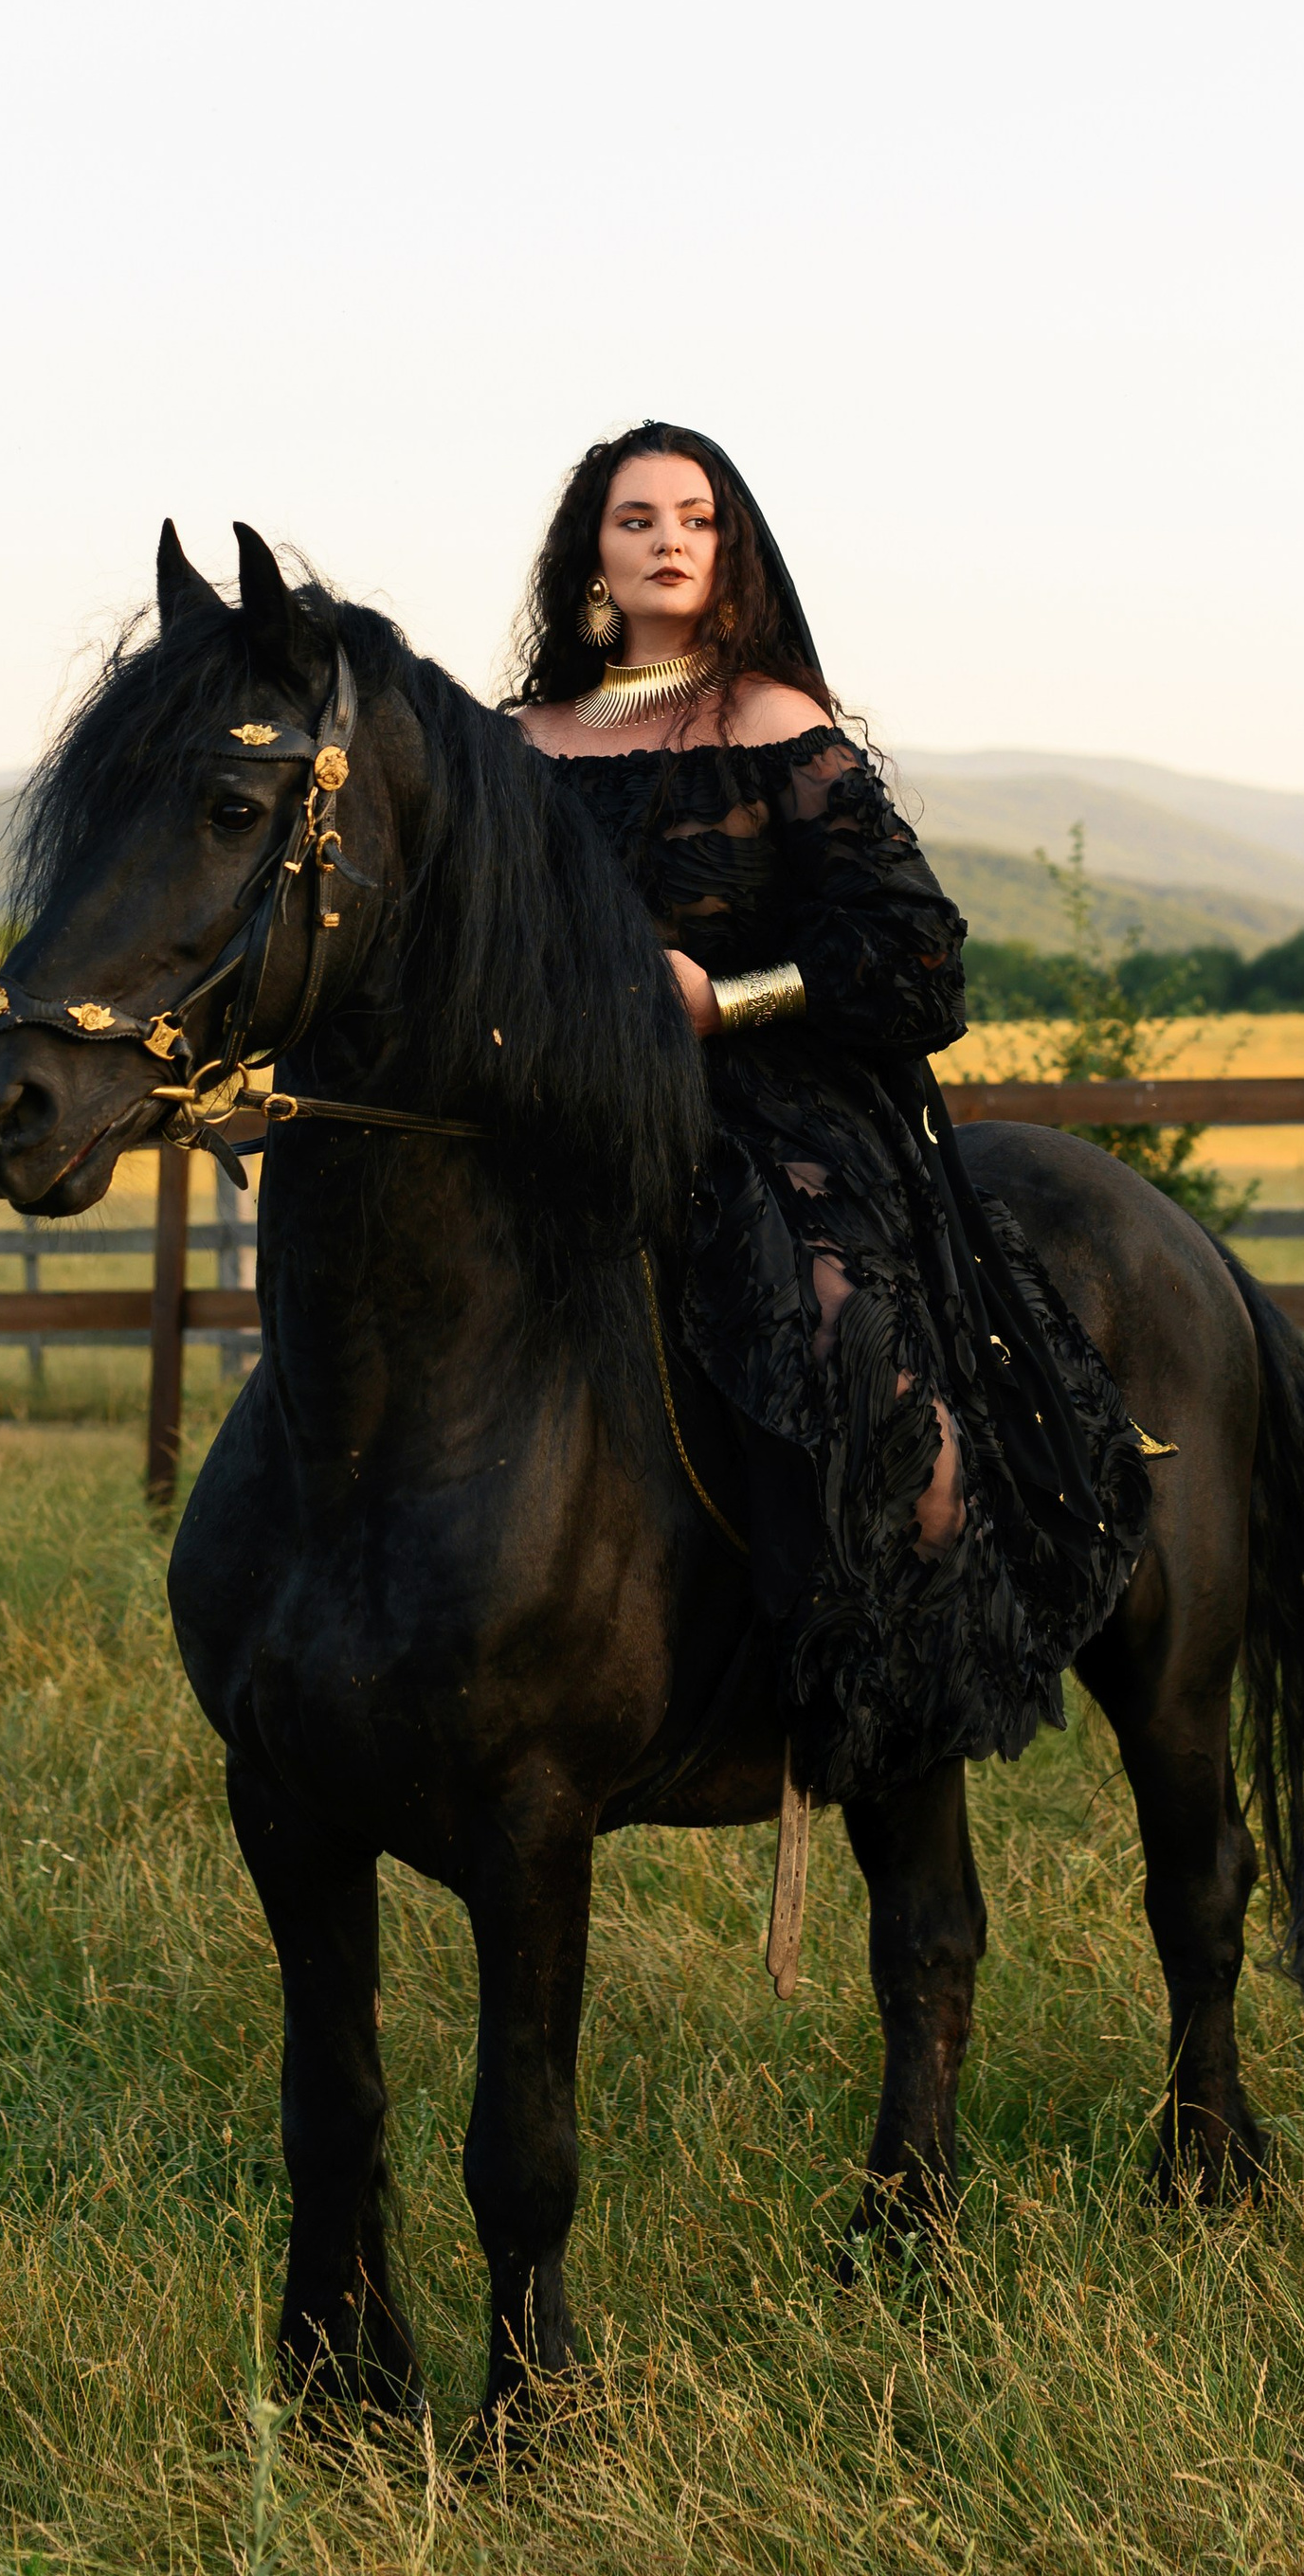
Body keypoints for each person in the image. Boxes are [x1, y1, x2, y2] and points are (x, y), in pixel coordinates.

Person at [510, 422, 1150, 1803]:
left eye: (696, 517)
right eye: (636, 519)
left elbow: (916, 957)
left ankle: (887, 1647)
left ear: (730, 550)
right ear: (591, 554)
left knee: (860, 1355)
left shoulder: (774, 724)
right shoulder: (515, 747)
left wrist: (721, 1002)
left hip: (764, 1104)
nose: (667, 539)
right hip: (553, 1102)